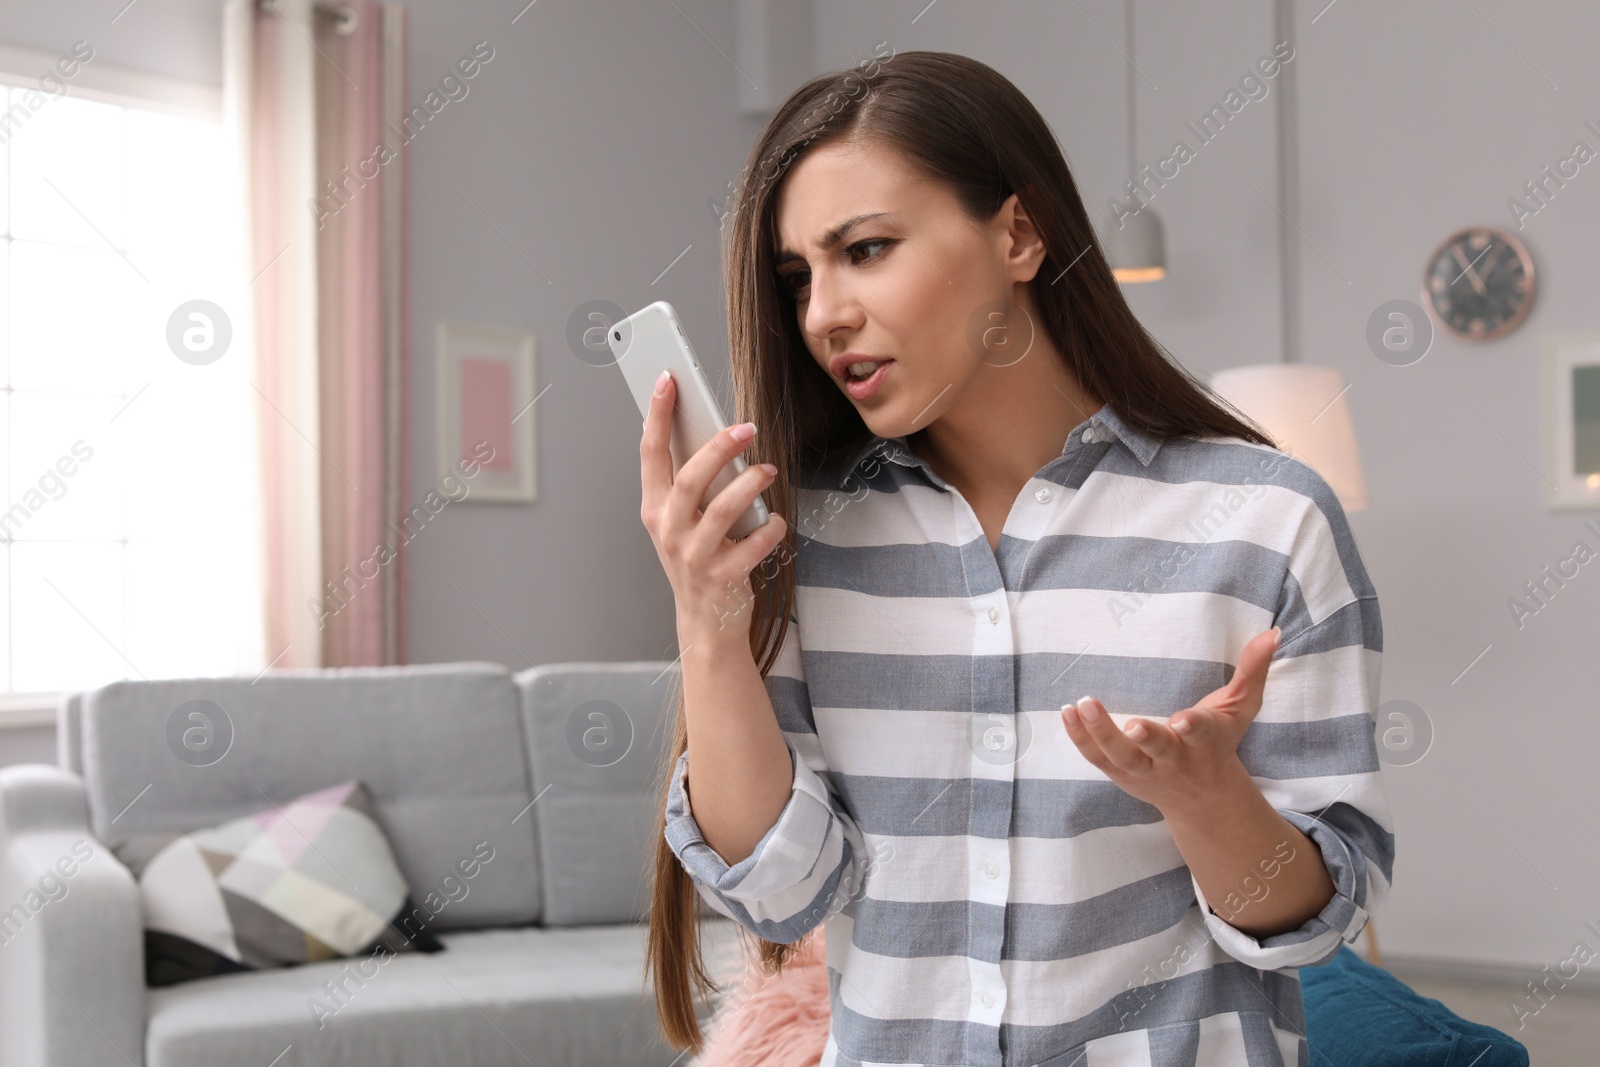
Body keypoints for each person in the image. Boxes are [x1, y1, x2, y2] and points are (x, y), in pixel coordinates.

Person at [641, 49, 1394, 1067]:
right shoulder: (794, 537)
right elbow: (782, 897)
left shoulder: (1265, 521)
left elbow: (1314, 922)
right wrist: (708, 620)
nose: (821, 312)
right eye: (797, 275)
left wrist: (1207, 796)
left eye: (864, 249)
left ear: (1019, 234)